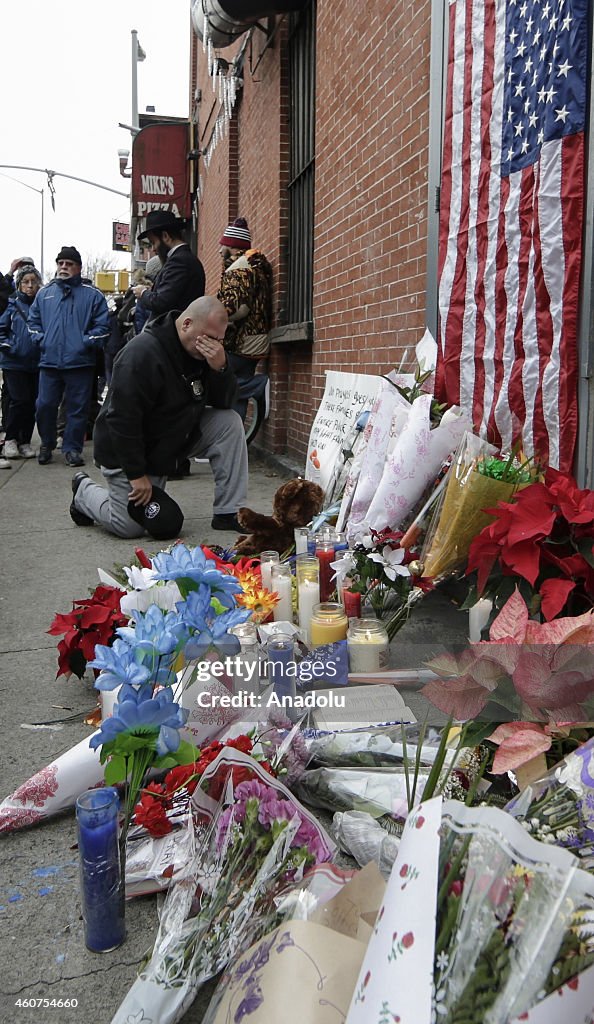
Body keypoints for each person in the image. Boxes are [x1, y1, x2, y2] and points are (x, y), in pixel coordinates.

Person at [70, 296, 248, 538]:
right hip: (128, 449)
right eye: (209, 338)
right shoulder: (141, 353)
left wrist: (221, 368)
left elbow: (225, 403)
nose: (214, 345)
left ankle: (229, 511)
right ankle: (84, 491)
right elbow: (122, 419)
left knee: (229, 422)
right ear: (186, 324)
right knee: (130, 527)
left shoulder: (205, 352)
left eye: (220, 340)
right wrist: (136, 474)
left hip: (172, 437)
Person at [28, 246, 110, 467]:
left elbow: (103, 327)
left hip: (80, 363)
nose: (63, 267)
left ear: (78, 268)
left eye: (69, 264)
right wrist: (43, 341)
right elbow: (33, 322)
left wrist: (83, 344)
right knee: (44, 405)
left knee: (77, 409)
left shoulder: (93, 295)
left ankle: (72, 449)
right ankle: (47, 443)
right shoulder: (45, 294)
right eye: (60, 263)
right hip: (49, 362)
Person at [217, 217, 273, 380]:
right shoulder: (253, 266)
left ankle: (257, 386)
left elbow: (238, 308)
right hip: (255, 340)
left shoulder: (239, 269)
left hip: (242, 342)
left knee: (218, 376)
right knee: (239, 386)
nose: (220, 250)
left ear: (233, 246)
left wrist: (214, 317)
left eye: (223, 245)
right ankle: (253, 388)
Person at [0, 264, 42, 459]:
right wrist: (10, 346)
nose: (30, 285)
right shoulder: (10, 305)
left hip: (35, 363)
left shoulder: (42, 305)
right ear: (19, 284)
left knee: (32, 403)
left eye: (34, 281)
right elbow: (1, 330)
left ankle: (25, 440)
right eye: (26, 281)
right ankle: (10, 439)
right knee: (18, 400)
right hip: (14, 362)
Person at [132, 211, 205, 318]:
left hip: (171, 331)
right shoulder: (182, 259)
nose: (153, 249)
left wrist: (143, 293)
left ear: (165, 236)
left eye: (153, 242)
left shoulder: (179, 261)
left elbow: (161, 302)